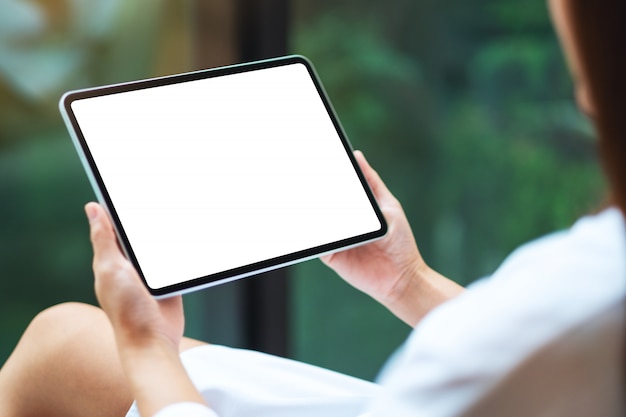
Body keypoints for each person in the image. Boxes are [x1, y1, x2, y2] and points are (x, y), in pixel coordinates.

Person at [0, 0, 624, 415]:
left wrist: (147, 346)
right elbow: (524, 348)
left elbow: (527, 347)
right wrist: (409, 284)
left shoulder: (578, 299)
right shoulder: (587, 286)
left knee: (57, 358)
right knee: (61, 342)